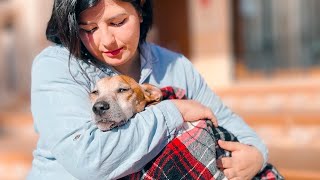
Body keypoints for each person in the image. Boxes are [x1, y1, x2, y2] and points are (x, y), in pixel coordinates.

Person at [28, 0, 267, 179]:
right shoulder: (58, 66)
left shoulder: (175, 66)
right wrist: (173, 111)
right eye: (88, 29)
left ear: (140, 9)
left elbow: (224, 119)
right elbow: (90, 160)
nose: (106, 41)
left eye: (118, 22)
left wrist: (257, 154)